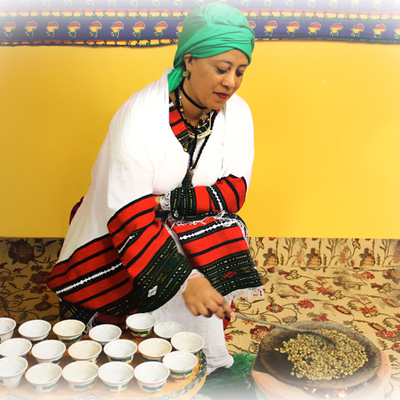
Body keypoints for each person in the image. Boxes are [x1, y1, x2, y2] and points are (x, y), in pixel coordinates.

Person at [47, 2, 263, 374]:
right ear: (189, 60)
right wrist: (187, 279)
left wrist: (164, 201)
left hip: (171, 218)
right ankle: (131, 330)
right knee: (124, 335)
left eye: (240, 72)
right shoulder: (140, 117)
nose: (231, 82)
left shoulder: (237, 113)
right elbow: (128, 216)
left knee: (226, 227)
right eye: (222, 68)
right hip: (119, 230)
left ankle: (196, 351)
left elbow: (234, 192)